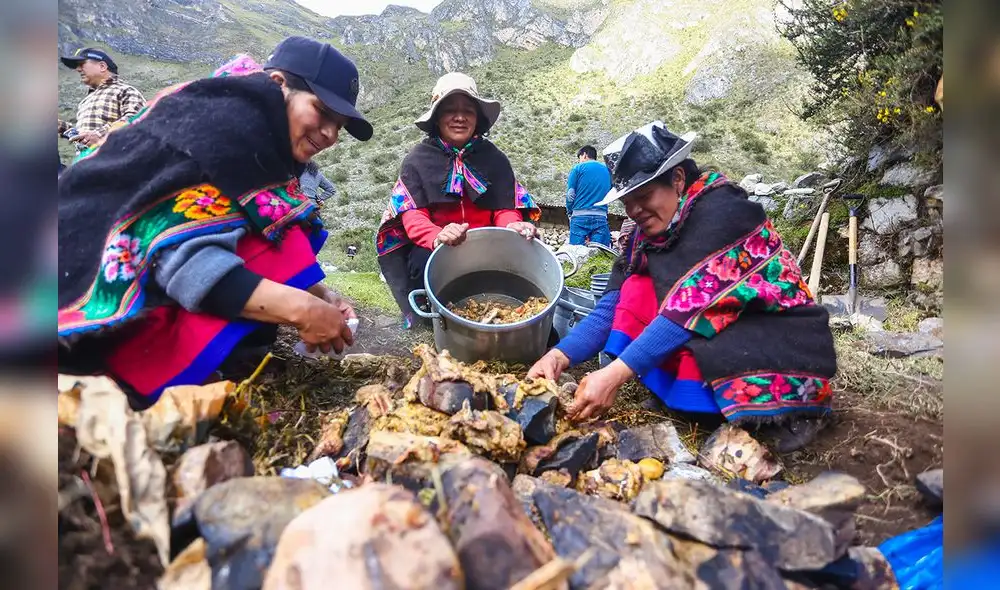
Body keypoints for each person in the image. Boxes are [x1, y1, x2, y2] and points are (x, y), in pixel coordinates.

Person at [58, 37, 373, 410]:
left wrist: (319, 294)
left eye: (339, 125)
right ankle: (134, 374)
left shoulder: (255, 130)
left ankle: (235, 356)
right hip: (72, 281)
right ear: (277, 85)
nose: (330, 134)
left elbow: (257, 233)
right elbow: (185, 267)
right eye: (321, 111)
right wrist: (303, 310)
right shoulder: (220, 133)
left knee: (283, 235)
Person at [528, 121, 838, 452]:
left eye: (643, 196)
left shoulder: (725, 212)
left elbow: (690, 310)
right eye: (627, 201)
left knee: (679, 316)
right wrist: (560, 355)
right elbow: (613, 306)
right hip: (707, 326)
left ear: (677, 179)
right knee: (637, 287)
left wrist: (614, 375)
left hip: (770, 332)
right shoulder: (647, 235)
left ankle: (785, 412)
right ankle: (682, 400)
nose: (634, 210)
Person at [375, 72, 541, 327]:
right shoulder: (417, 160)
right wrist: (438, 235)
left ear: (478, 118)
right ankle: (430, 319)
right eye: (450, 110)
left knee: (520, 251)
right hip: (438, 249)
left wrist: (512, 225)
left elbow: (503, 207)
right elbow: (413, 215)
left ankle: (516, 318)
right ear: (437, 117)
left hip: (487, 247)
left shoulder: (494, 159)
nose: (460, 117)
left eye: (468, 111)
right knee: (421, 260)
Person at [57, 47, 146, 151]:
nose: (78, 69)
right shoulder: (85, 101)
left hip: (117, 157)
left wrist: (100, 135)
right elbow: (84, 136)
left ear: (102, 66)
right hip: (90, 160)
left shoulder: (125, 90)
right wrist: (63, 127)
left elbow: (136, 120)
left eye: (82, 64)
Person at [566, 144, 613, 246]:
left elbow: (570, 194)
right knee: (599, 252)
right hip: (601, 217)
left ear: (584, 155)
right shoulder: (608, 171)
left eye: (580, 158)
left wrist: (570, 212)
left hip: (579, 217)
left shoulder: (578, 168)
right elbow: (611, 191)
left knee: (576, 252)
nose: (580, 161)